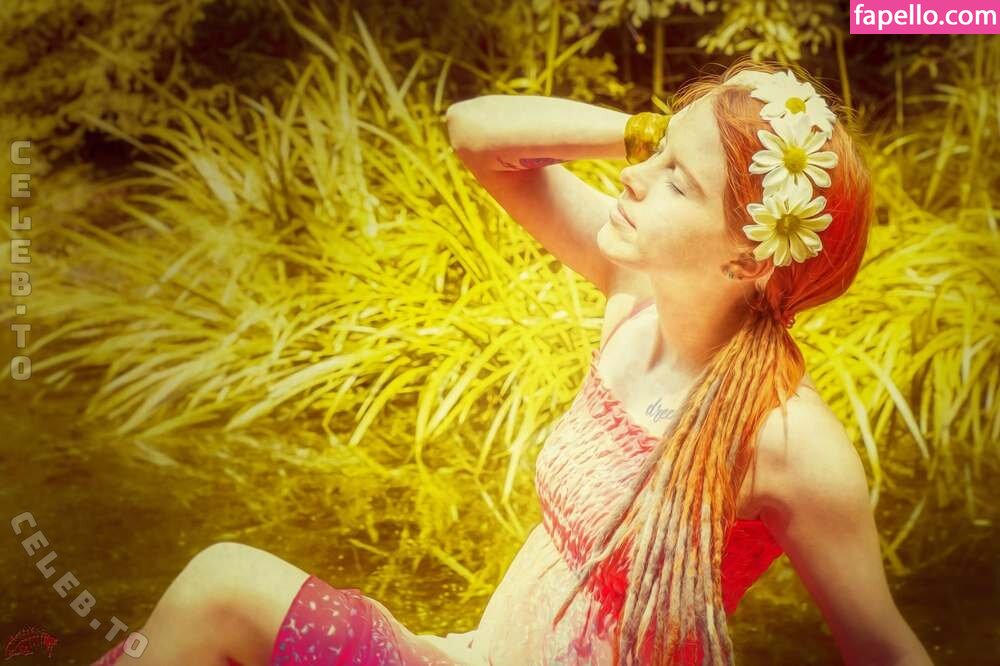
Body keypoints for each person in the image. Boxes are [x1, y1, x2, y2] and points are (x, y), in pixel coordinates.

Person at [92, 61, 934, 665]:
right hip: (468, 656)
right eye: (654, 154)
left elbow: (884, 648)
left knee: (222, 587)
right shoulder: (635, 297)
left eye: (677, 180)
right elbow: (475, 133)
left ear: (748, 258)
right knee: (207, 611)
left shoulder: (786, 440)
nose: (636, 179)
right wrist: (650, 132)